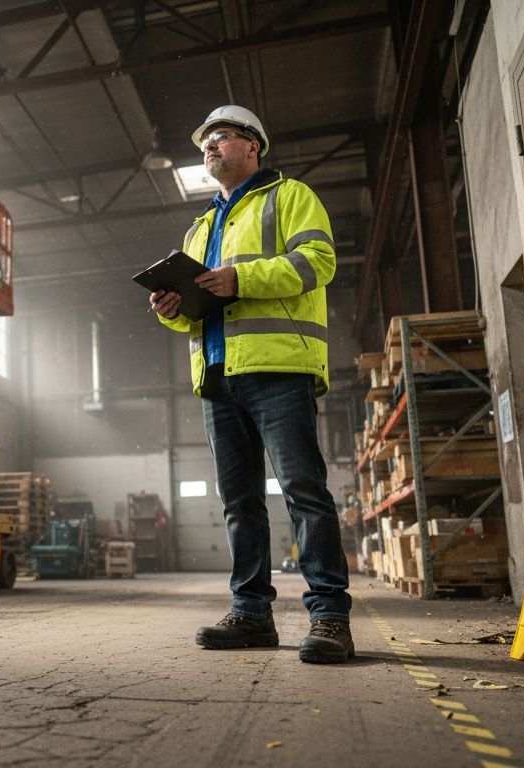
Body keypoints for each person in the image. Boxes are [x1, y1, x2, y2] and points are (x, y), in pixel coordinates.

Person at [148, 105, 353, 664]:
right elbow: (200, 309)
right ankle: (251, 614)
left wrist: (242, 277)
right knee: (239, 503)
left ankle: (330, 617)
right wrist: (172, 308)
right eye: (205, 141)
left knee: (303, 491)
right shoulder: (200, 226)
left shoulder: (290, 197)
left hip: (279, 367)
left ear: (253, 146)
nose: (209, 146)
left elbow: (318, 261)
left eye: (220, 137)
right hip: (218, 377)